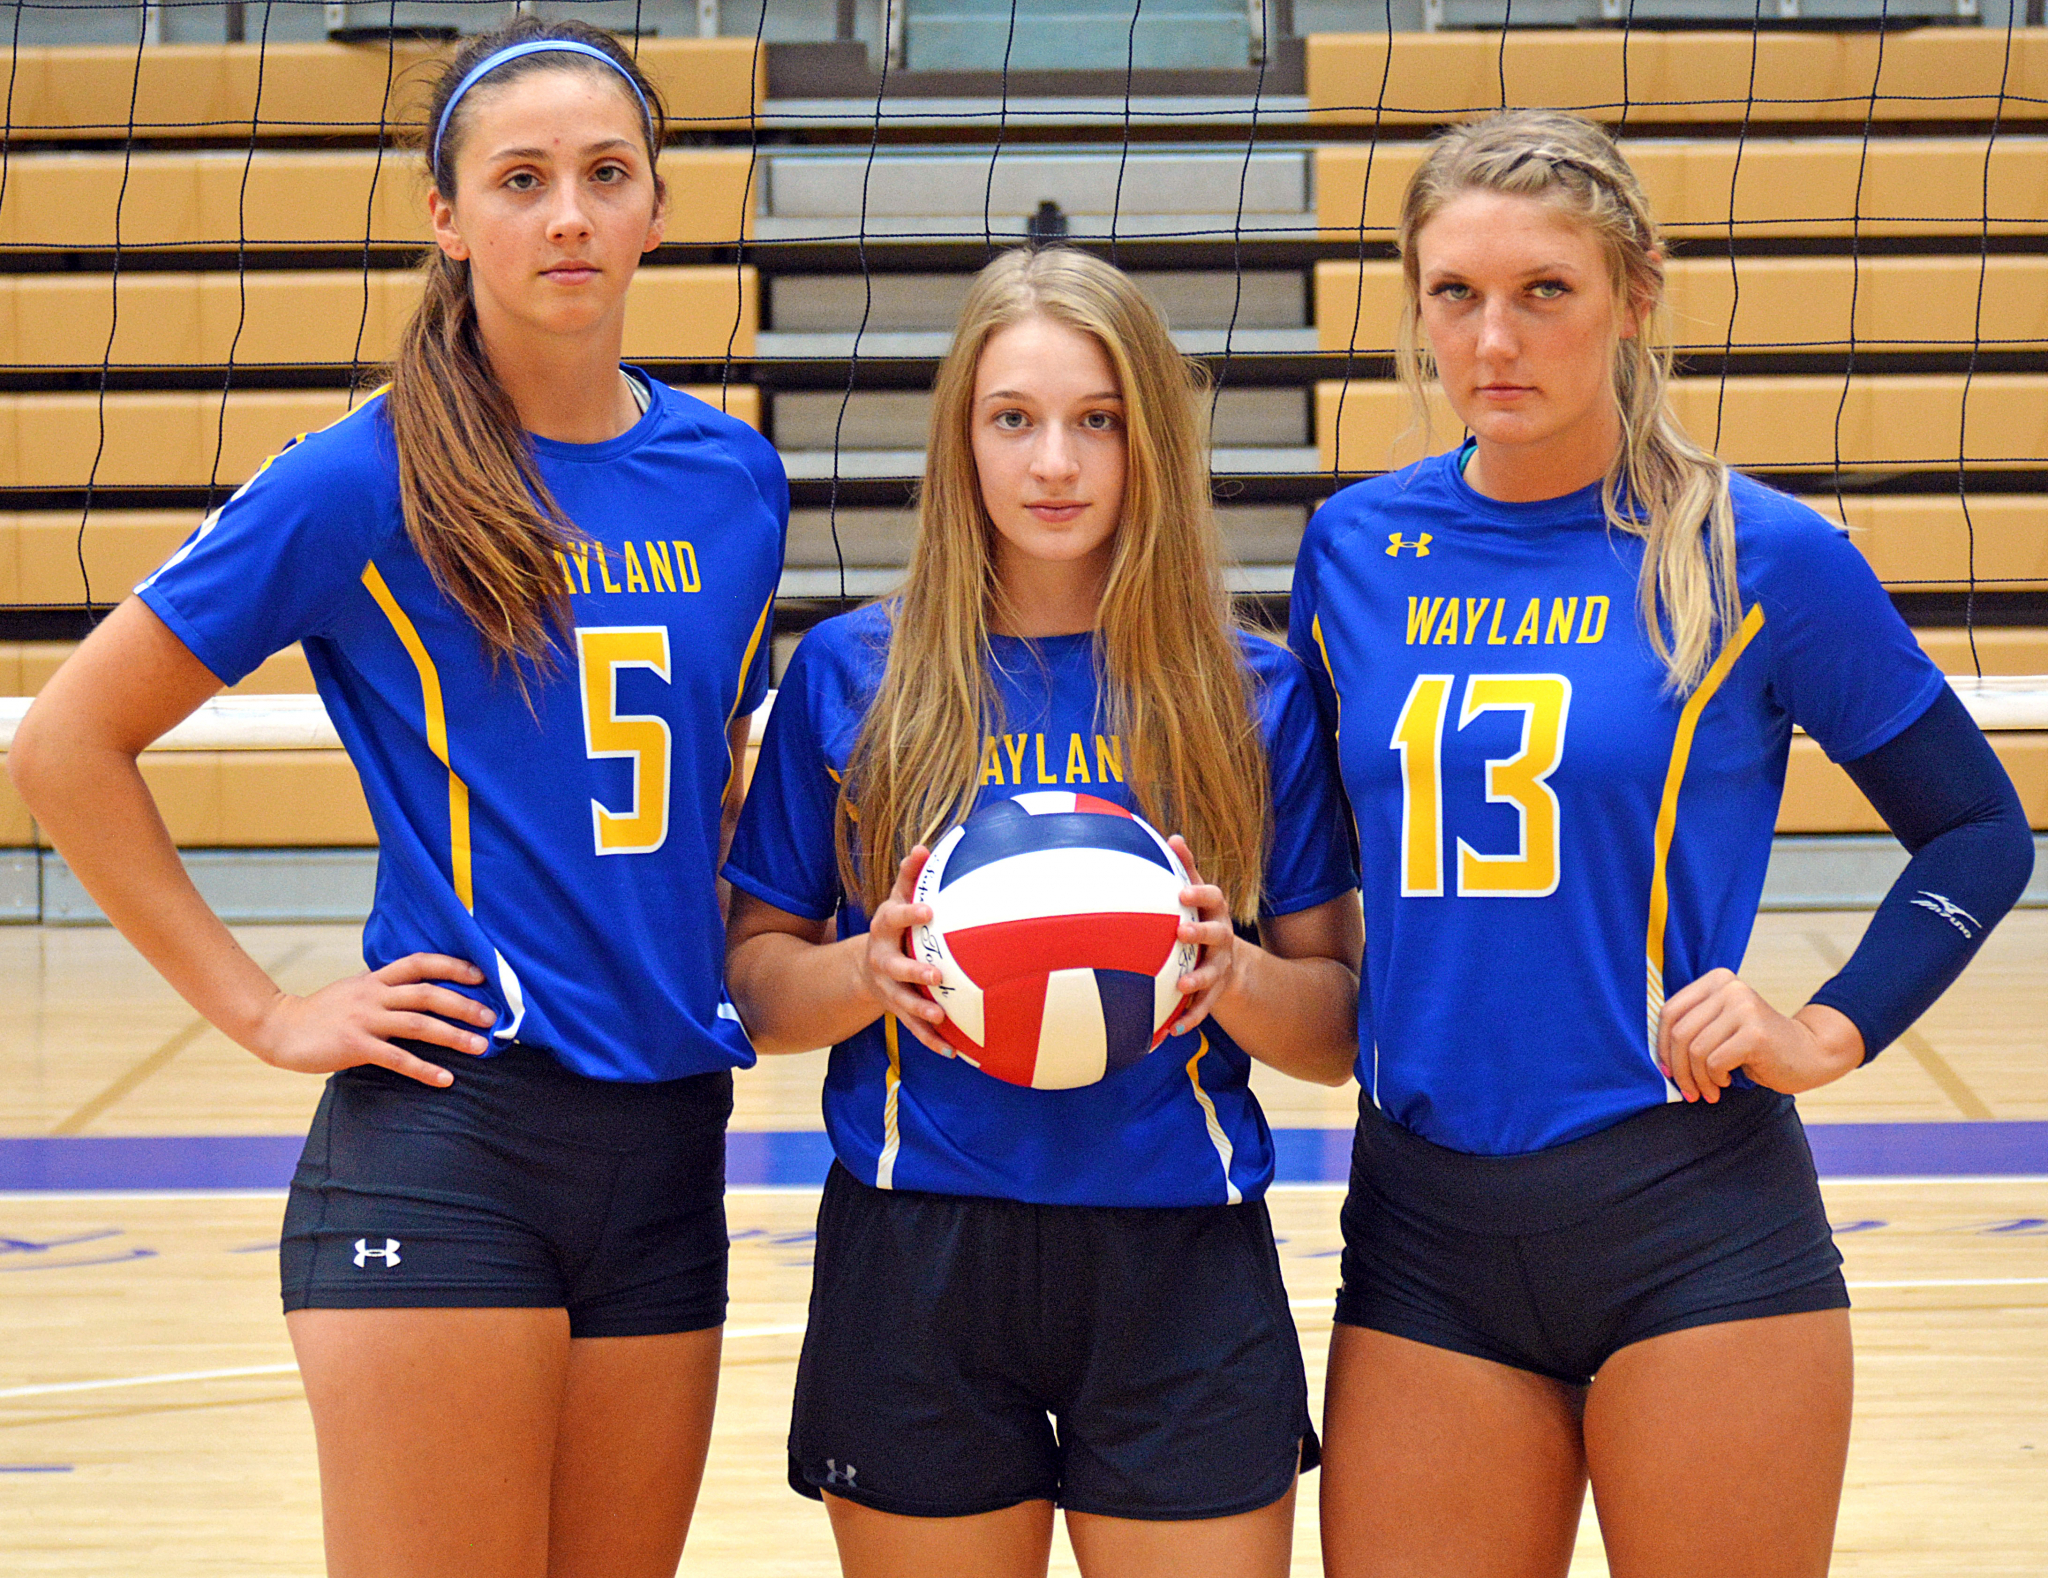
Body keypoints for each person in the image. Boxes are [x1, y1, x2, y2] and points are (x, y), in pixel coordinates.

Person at [7, 19, 785, 1577]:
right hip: (454, 1138)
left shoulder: (730, 475)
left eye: (602, 175)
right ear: (448, 218)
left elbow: (690, 791)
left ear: (655, 208)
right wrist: (266, 1012)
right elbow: (63, 743)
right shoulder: (363, 477)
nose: (565, 214)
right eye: (520, 179)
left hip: (668, 1139)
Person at [1293, 109, 2035, 1578]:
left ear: (1634, 296)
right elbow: (1315, 871)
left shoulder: (1758, 555)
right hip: (1424, 1224)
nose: (1494, 336)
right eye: (1457, 292)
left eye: (1545, 290)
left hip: (1689, 1219)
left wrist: (1826, 1026)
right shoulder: (1355, 547)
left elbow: (1977, 828)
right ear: (1417, 306)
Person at [723, 246, 1361, 1578]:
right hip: (918, 1255)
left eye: (1098, 421)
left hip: (1181, 1250)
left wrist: (1223, 973)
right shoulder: (856, 673)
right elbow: (758, 985)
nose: (1055, 462)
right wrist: (868, 974)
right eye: (1014, 418)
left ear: (1151, 443)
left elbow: (1336, 1028)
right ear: (962, 436)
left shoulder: (1251, 694)